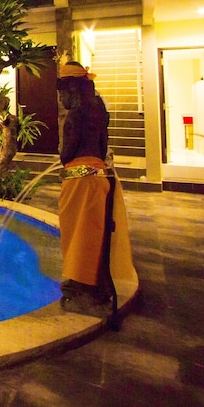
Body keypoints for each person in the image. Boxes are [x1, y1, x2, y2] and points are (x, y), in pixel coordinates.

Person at [56, 62, 135, 317]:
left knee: (77, 235)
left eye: (62, 93)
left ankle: (81, 286)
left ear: (71, 89)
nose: (61, 99)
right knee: (95, 235)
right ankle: (98, 286)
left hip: (79, 182)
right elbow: (102, 148)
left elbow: (67, 154)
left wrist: (64, 160)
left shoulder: (75, 116)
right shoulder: (99, 110)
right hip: (100, 177)